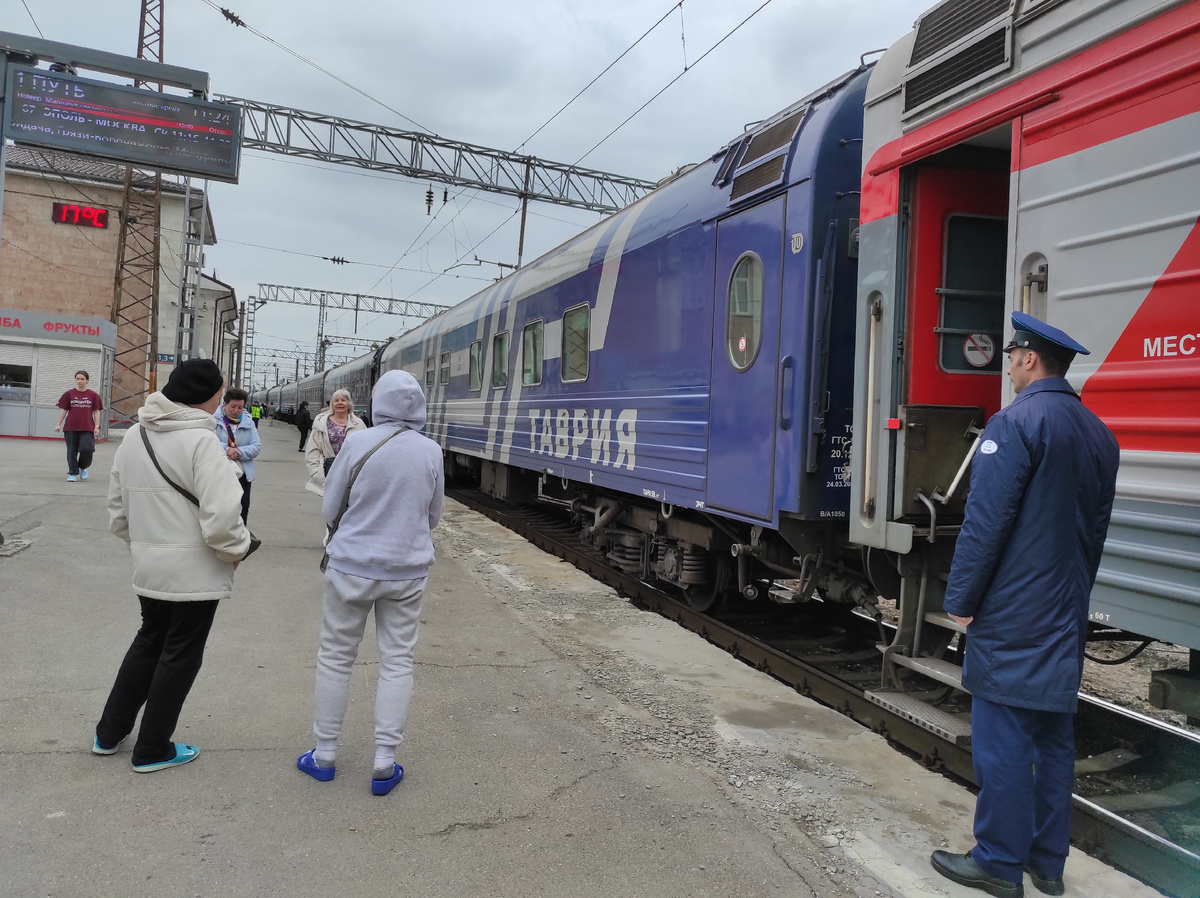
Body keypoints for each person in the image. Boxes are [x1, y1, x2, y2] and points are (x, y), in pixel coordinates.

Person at [930, 312, 1120, 898]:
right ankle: (1047, 863)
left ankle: (996, 861)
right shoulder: (1098, 434)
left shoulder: (1014, 425)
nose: (1008, 363)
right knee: (1052, 737)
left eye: (1012, 355)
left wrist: (960, 599)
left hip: (1014, 612)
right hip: (1064, 609)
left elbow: (984, 525)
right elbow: (1095, 532)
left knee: (1005, 736)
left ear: (1029, 360)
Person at [95, 359, 259, 773]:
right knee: (180, 654)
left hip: (149, 566)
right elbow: (223, 519)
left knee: (148, 641)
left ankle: (108, 733)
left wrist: (147, 547)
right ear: (207, 396)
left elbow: (117, 512)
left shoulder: (135, 436)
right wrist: (236, 551)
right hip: (195, 574)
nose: (222, 401)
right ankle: (152, 749)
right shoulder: (203, 443)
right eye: (220, 395)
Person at [297, 370, 444, 795]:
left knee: (336, 657)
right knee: (397, 661)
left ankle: (324, 754)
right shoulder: (431, 451)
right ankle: (384, 761)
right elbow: (433, 515)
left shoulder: (359, 442)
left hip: (351, 568)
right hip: (406, 572)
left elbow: (330, 505)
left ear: (378, 406)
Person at [213, 387, 262, 524]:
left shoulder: (248, 422)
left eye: (240, 407)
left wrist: (239, 452)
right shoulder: (214, 421)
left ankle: (241, 538)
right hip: (221, 472)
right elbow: (210, 441)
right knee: (222, 508)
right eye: (233, 406)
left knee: (243, 506)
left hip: (243, 473)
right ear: (225, 404)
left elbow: (256, 446)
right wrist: (227, 449)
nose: (236, 410)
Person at [304, 390, 367, 490]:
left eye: (343, 400)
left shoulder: (358, 423)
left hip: (352, 471)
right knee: (331, 504)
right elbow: (313, 448)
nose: (340, 403)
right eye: (336, 400)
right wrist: (314, 470)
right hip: (329, 469)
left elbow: (366, 448)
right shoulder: (322, 423)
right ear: (332, 404)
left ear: (349, 404)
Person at [54, 370, 103, 482]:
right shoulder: (69, 394)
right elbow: (64, 410)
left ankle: (83, 467)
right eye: (77, 379)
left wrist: (96, 426)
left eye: (82, 379)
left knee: (88, 449)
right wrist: (58, 424)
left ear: (87, 380)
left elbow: (96, 411)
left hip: (87, 427)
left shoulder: (93, 395)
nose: (79, 381)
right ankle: (73, 473)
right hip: (71, 427)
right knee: (72, 450)